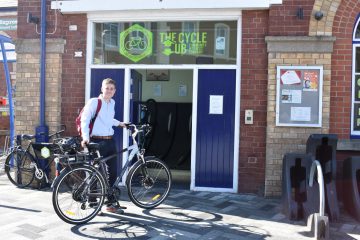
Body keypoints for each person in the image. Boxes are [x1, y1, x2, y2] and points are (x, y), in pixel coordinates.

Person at [80, 77, 125, 213]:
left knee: (113, 172)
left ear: (115, 91)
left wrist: (120, 123)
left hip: (110, 140)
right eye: (107, 88)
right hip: (96, 141)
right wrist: (86, 138)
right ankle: (93, 203)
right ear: (102, 89)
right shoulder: (95, 102)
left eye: (111, 89)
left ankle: (109, 203)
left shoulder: (112, 102)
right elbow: (85, 119)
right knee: (96, 172)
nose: (109, 91)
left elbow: (108, 119)